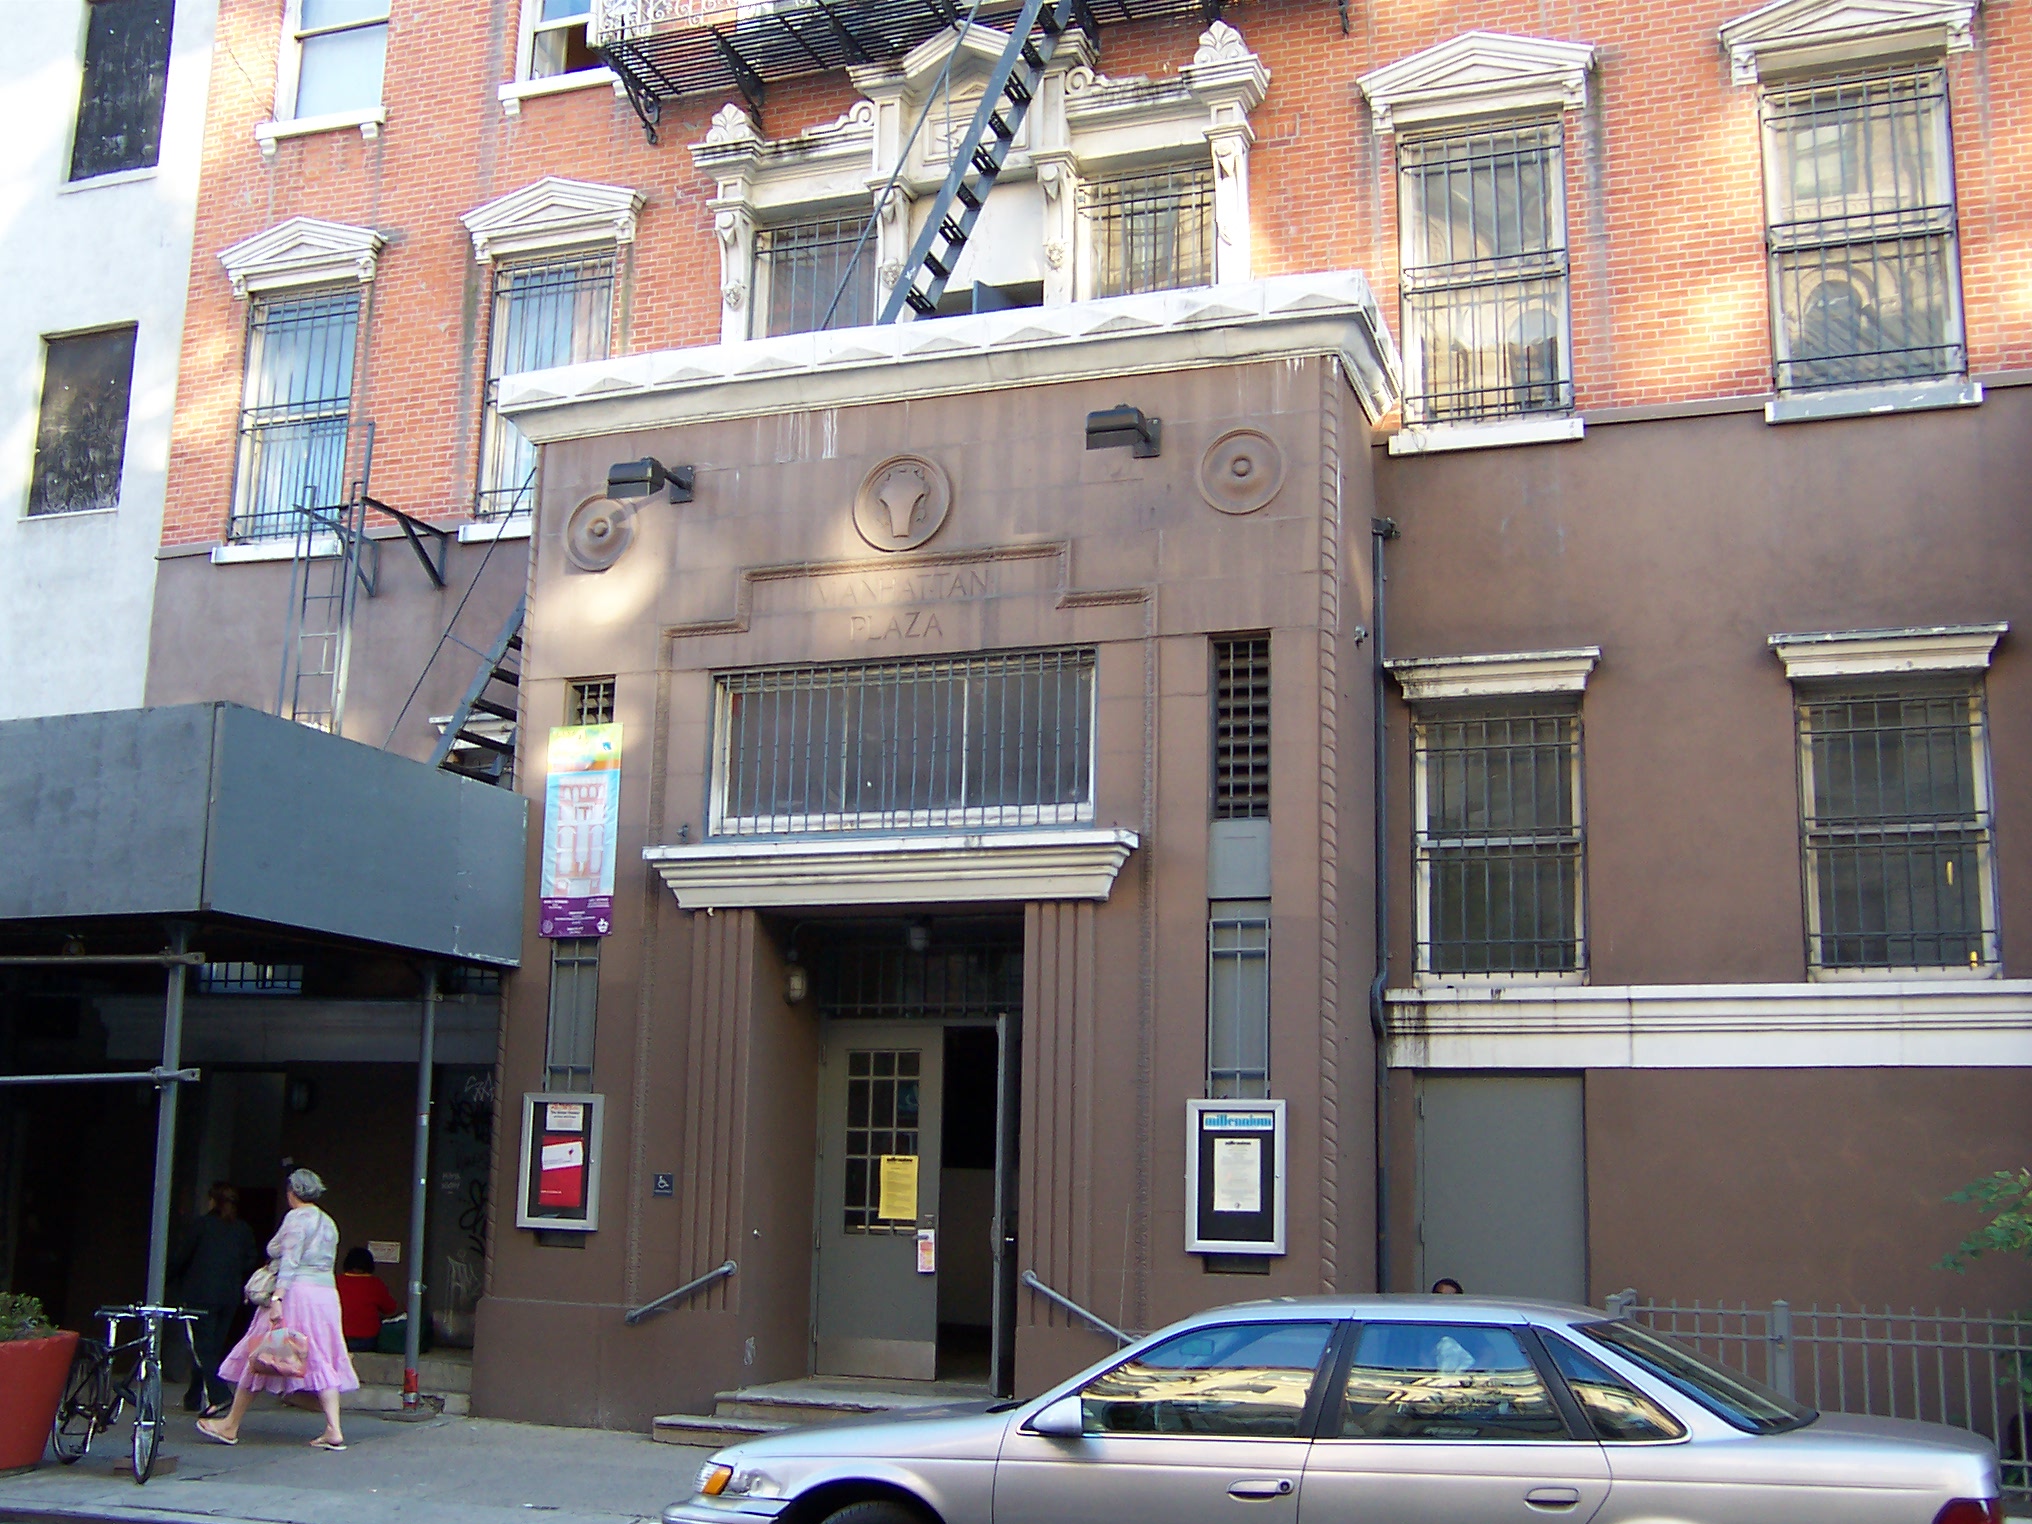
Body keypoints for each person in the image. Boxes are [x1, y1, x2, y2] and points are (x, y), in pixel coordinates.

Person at [198, 1168, 359, 1451]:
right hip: (325, 1296)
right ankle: (334, 1428)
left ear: (292, 1192)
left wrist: (277, 1299)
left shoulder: (296, 1219)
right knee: (320, 1355)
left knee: (261, 1352)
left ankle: (230, 1424)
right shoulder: (328, 1222)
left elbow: (290, 1262)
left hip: (297, 1294)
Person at [168, 1183, 262, 1416]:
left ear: (213, 1201)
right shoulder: (242, 1229)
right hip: (229, 1295)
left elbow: (181, 1256)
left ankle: (219, 1395)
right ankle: (193, 1396)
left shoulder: (201, 1226)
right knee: (213, 1347)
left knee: (202, 1347)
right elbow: (251, 1259)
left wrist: (168, 1279)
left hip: (199, 1294)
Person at [337, 1246, 399, 1353]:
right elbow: (390, 1308)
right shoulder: (375, 1283)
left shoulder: (336, 1281)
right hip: (367, 1340)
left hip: (339, 1339)